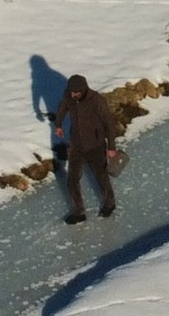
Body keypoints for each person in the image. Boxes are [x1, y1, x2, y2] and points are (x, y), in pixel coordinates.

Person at [46, 74, 119, 224]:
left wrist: (111, 146)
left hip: (96, 145)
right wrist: (58, 124)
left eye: (76, 92)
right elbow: (62, 108)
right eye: (71, 92)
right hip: (77, 145)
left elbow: (108, 123)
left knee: (101, 176)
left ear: (84, 90)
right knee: (72, 180)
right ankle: (78, 212)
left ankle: (109, 203)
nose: (73, 95)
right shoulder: (69, 96)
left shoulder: (97, 100)